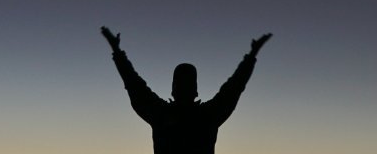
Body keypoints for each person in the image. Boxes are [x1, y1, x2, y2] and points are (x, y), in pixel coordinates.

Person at [101, 26, 272, 154]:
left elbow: (234, 87)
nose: (183, 88)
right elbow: (134, 85)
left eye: (187, 84)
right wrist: (117, 52)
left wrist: (251, 56)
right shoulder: (204, 115)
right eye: (180, 84)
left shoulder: (167, 114)